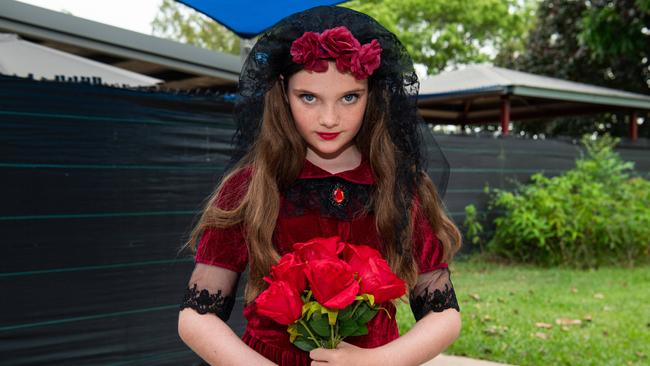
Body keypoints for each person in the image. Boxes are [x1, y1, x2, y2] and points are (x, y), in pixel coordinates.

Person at [178, 5, 462, 366]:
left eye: (349, 97)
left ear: (371, 95)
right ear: (282, 92)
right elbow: (196, 315)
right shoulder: (250, 187)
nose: (329, 118)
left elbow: (445, 315)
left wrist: (377, 361)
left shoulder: (402, 188)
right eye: (309, 97)